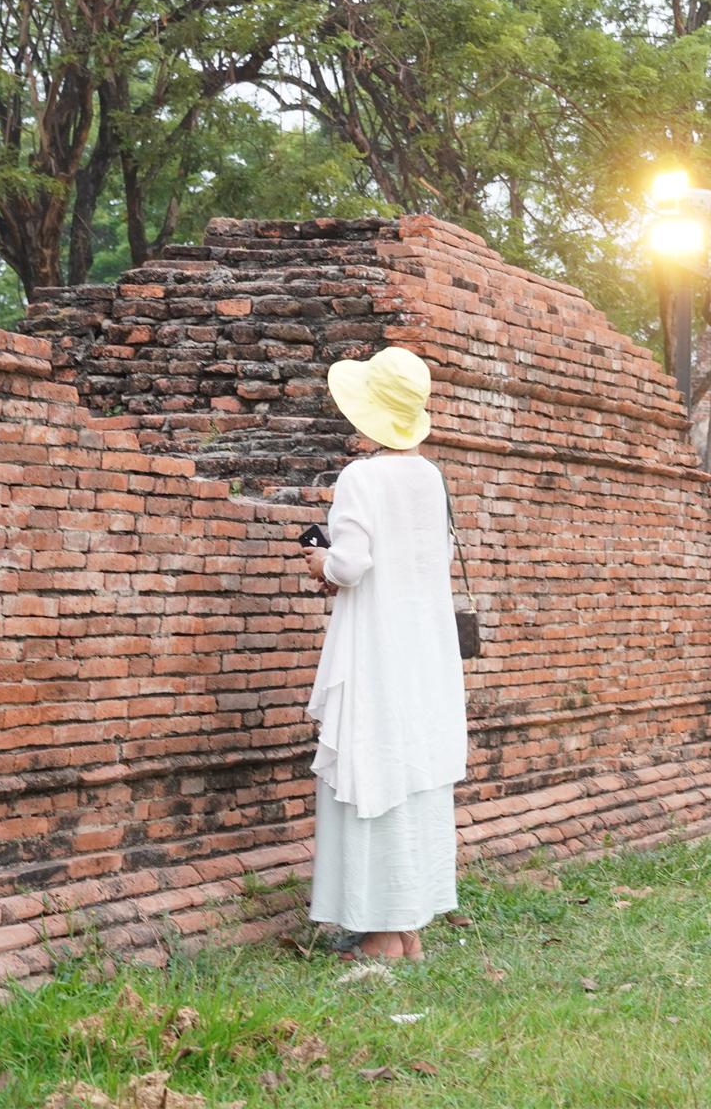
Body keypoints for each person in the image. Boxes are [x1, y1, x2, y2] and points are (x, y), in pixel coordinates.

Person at [300, 345, 468, 961]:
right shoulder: (431, 478)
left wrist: (318, 559)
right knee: (412, 772)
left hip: (375, 646)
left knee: (370, 767)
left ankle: (379, 937)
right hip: (423, 649)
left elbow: (351, 564)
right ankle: (408, 928)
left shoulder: (361, 477)